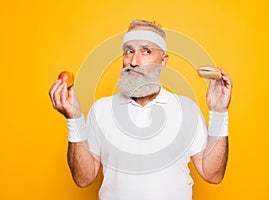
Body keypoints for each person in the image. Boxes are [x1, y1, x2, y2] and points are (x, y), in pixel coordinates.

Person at [49, 19, 232, 200]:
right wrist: (74, 120)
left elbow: (213, 175)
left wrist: (219, 113)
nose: (134, 61)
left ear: (163, 61)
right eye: (129, 51)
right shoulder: (101, 110)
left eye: (146, 51)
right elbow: (83, 179)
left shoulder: (187, 110)